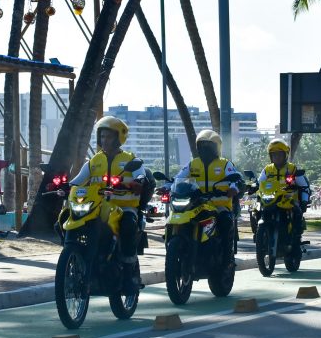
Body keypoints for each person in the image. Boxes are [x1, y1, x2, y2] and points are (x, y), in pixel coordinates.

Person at [67, 116, 146, 295]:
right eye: (102, 136)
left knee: (128, 225)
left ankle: (128, 276)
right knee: (64, 220)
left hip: (124, 208)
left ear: (119, 138)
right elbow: (78, 181)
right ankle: (74, 259)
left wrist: (138, 182)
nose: (104, 140)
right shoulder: (94, 161)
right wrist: (64, 186)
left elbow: (141, 175)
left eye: (108, 136)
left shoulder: (130, 159)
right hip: (98, 207)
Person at [159, 130, 241, 266]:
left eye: (209, 146)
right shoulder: (193, 164)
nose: (205, 149)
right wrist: (167, 186)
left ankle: (227, 259)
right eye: (202, 146)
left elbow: (236, 179)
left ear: (217, 147)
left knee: (226, 221)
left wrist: (233, 188)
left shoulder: (225, 164)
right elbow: (179, 177)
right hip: (198, 204)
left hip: (219, 205)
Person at [259, 139, 310, 246]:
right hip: (271, 199)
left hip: (288, 200)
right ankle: (261, 236)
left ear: (285, 155)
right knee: (256, 212)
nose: (277, 157)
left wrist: (304, 201)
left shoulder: (292, 168)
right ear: (270, 156)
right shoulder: (267, 169)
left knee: (297, 212)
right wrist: (253, 187)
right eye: (274, 155)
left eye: (279, 154)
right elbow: (260, 183)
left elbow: (304, 187)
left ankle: (296, 240)